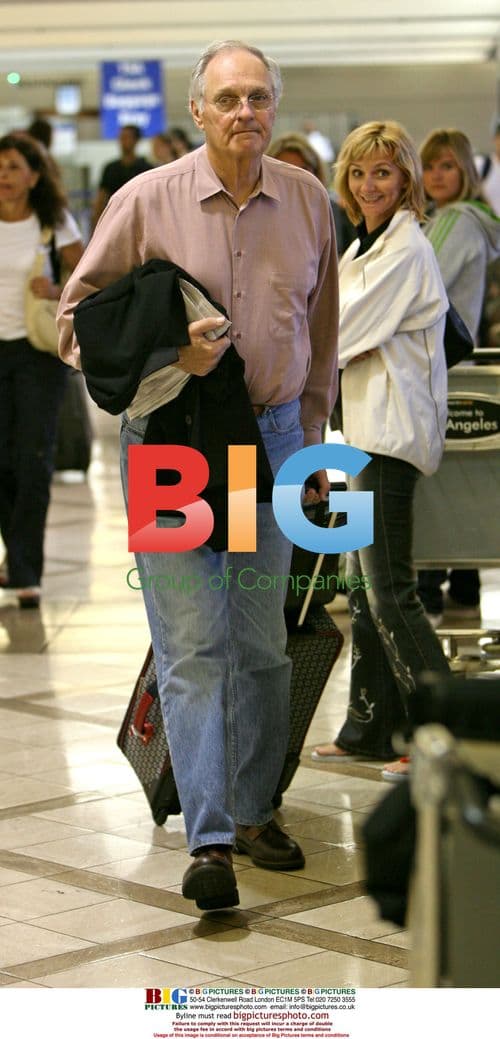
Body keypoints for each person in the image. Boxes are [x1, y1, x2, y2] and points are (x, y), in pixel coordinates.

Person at [58, 40, 338, 910]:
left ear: (274, 108)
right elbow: (75, 326)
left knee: (259, 644)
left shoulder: (308, 202)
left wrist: (319, 449)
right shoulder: (147, 200)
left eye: (258, 97)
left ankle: (255, 809)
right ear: (199, 111)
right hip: (174, 448)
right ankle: (209, 836)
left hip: (276, 442)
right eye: (228, 99)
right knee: (192, 646)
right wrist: (171, 356)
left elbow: (321, 335)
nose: (244, 112)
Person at [311, 120, 451, 780]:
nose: (371, 185)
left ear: (406, 181)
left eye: (384, 173)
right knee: (365, 594)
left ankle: (445, 738)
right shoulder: (363, 245)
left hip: (389, 439)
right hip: (361, 434)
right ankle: (369, 727)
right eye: (361, 173)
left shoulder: (405, 249)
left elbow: (346, 330)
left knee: (392, 592)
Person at [416, 128, 500, 626]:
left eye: (446, 165)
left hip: (436, 368)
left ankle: (427, 586)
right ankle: (463, 585)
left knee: (433, 482)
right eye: (429, 167)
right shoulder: (476, 221)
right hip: (457, 368)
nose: (436, 176)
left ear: (466, 169)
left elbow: (423, 283)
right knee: (461, 480)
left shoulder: (455, 221)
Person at [0, 133, 84, 607]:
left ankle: (26, 569)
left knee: (32, 458)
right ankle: (17, 554)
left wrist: (56, 288)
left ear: (33, 175)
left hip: (36, 354)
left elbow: (92, 272)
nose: (4, 176)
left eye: (13, 167)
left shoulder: (52, 223)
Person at [267, 131, 356, 256]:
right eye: (286, 171)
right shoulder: (255, 216)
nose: (295, 180)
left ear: (316, 174)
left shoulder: (337, 214)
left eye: (303, 170)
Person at [91, 124, 151, 227]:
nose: (122, 141)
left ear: (136, 140)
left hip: (139, 222)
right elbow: (101, 197)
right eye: (121, 137)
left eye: (127, 137)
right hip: (114, 221)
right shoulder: (110, 168)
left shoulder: (146, 169)